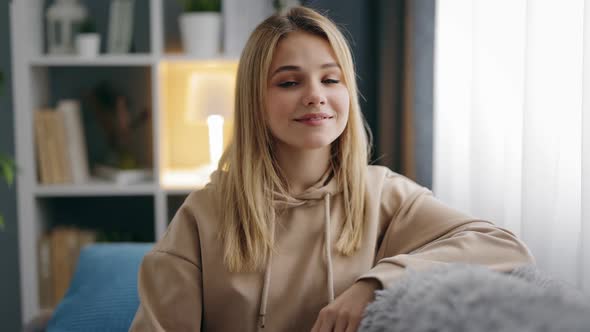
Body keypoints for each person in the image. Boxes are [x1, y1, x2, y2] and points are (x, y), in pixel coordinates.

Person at [129, 6, 534, 332]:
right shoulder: (205, 213)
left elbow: (503, 246)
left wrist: (374, 283)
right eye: (289, 83)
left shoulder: (384, 195)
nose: (315, 96)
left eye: (330, 79)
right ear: (255, 99)